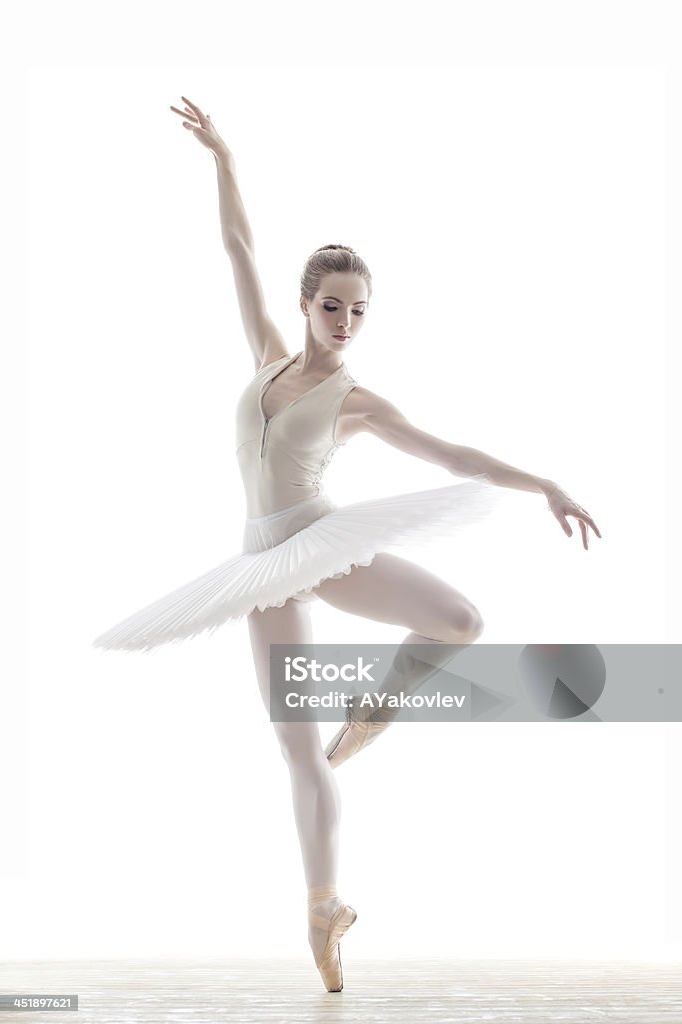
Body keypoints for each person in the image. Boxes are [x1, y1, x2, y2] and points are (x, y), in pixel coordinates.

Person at [93, 96, 602, 992]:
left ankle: (381, 704)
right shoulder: (264, 359)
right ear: (306, 305)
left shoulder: (357, 401)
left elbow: (452, 453)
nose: (345, 321)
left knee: (459, 617)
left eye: (358, 311)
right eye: (332, 306)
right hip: (260, 564)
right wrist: (222, 157)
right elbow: (239, 250)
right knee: (295, 747)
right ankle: (322, 907)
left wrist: (544, 485)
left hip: (321, 542)